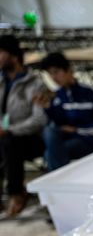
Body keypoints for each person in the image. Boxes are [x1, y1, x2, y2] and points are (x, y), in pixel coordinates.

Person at [36, 52, 93, 171]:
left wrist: (77, 130)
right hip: (65, 140)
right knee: (49, 132)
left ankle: (58, 186)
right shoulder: (58, 95)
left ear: (69, 70)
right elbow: (59, 122)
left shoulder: (90, 92)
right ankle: (61, 185)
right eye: (50, 74)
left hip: (88, 140)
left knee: (50, 154)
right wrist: (47, 108)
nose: (54, 78)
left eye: (56, 72)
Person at [0, 35, 47, 216]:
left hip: (31, 139)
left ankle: (16, 193)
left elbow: (38, 120)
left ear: (13, 55)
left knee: (10, 143)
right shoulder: (2, 83)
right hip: (5, 136)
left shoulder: (34, 83)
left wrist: (8, 130)